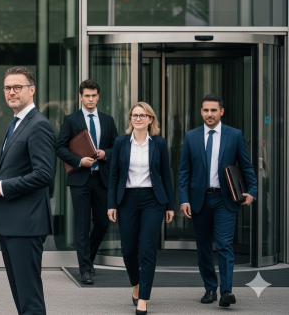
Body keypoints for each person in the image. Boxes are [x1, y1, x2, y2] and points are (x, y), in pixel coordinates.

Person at [0, 66, 55, 315]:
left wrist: (0, 187)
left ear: (31, 90)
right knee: (21, 296)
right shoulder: (15, 123)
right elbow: (15, 169)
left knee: (29, 298)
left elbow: (44, 174)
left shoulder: (38, 125)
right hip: (12, 222)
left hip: (26, 223)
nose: (11, 92)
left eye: (17, 87)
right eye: (8, 88)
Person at [177, 94, 257, 307]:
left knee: (224, 244)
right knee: (203, 247)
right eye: (205, 110)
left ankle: (227, 291)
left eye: (213, 110)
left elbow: (246, 166)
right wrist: (184, 199)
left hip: (225, 199)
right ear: (201, 112)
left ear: (221, 111)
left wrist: (252, 191)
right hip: (199, 200)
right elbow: (184, 171)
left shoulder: (234, 135)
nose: (209, 114)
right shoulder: (191, 136)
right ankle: (210, 288)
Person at [107, 102, 175, 315]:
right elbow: (114, 175)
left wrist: (169, 206)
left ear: (150, 119)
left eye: (142, 115)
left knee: (147, 249)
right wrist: (112, 204)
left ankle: (143, 297)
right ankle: (136, 283)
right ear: (130, 119)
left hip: (152, 200)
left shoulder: (159, 143)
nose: (138, 119)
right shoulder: (121, 142)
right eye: (134, 115)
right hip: (127, 199)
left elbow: (166, 175)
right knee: (128, 250)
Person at [55, 79, 118, 284]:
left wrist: (105, 153)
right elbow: (60, 148)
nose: (91, 99)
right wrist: (79, 161)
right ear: (80, 97)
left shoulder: (108, 120)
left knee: (102, 223)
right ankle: (85, 270)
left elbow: (116, 147)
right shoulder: (71, 120)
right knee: (81, 225)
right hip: (80, 179)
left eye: (94, 95)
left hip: (102, 179)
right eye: (87, 96)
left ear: (98, 96)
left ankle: (87, 260)